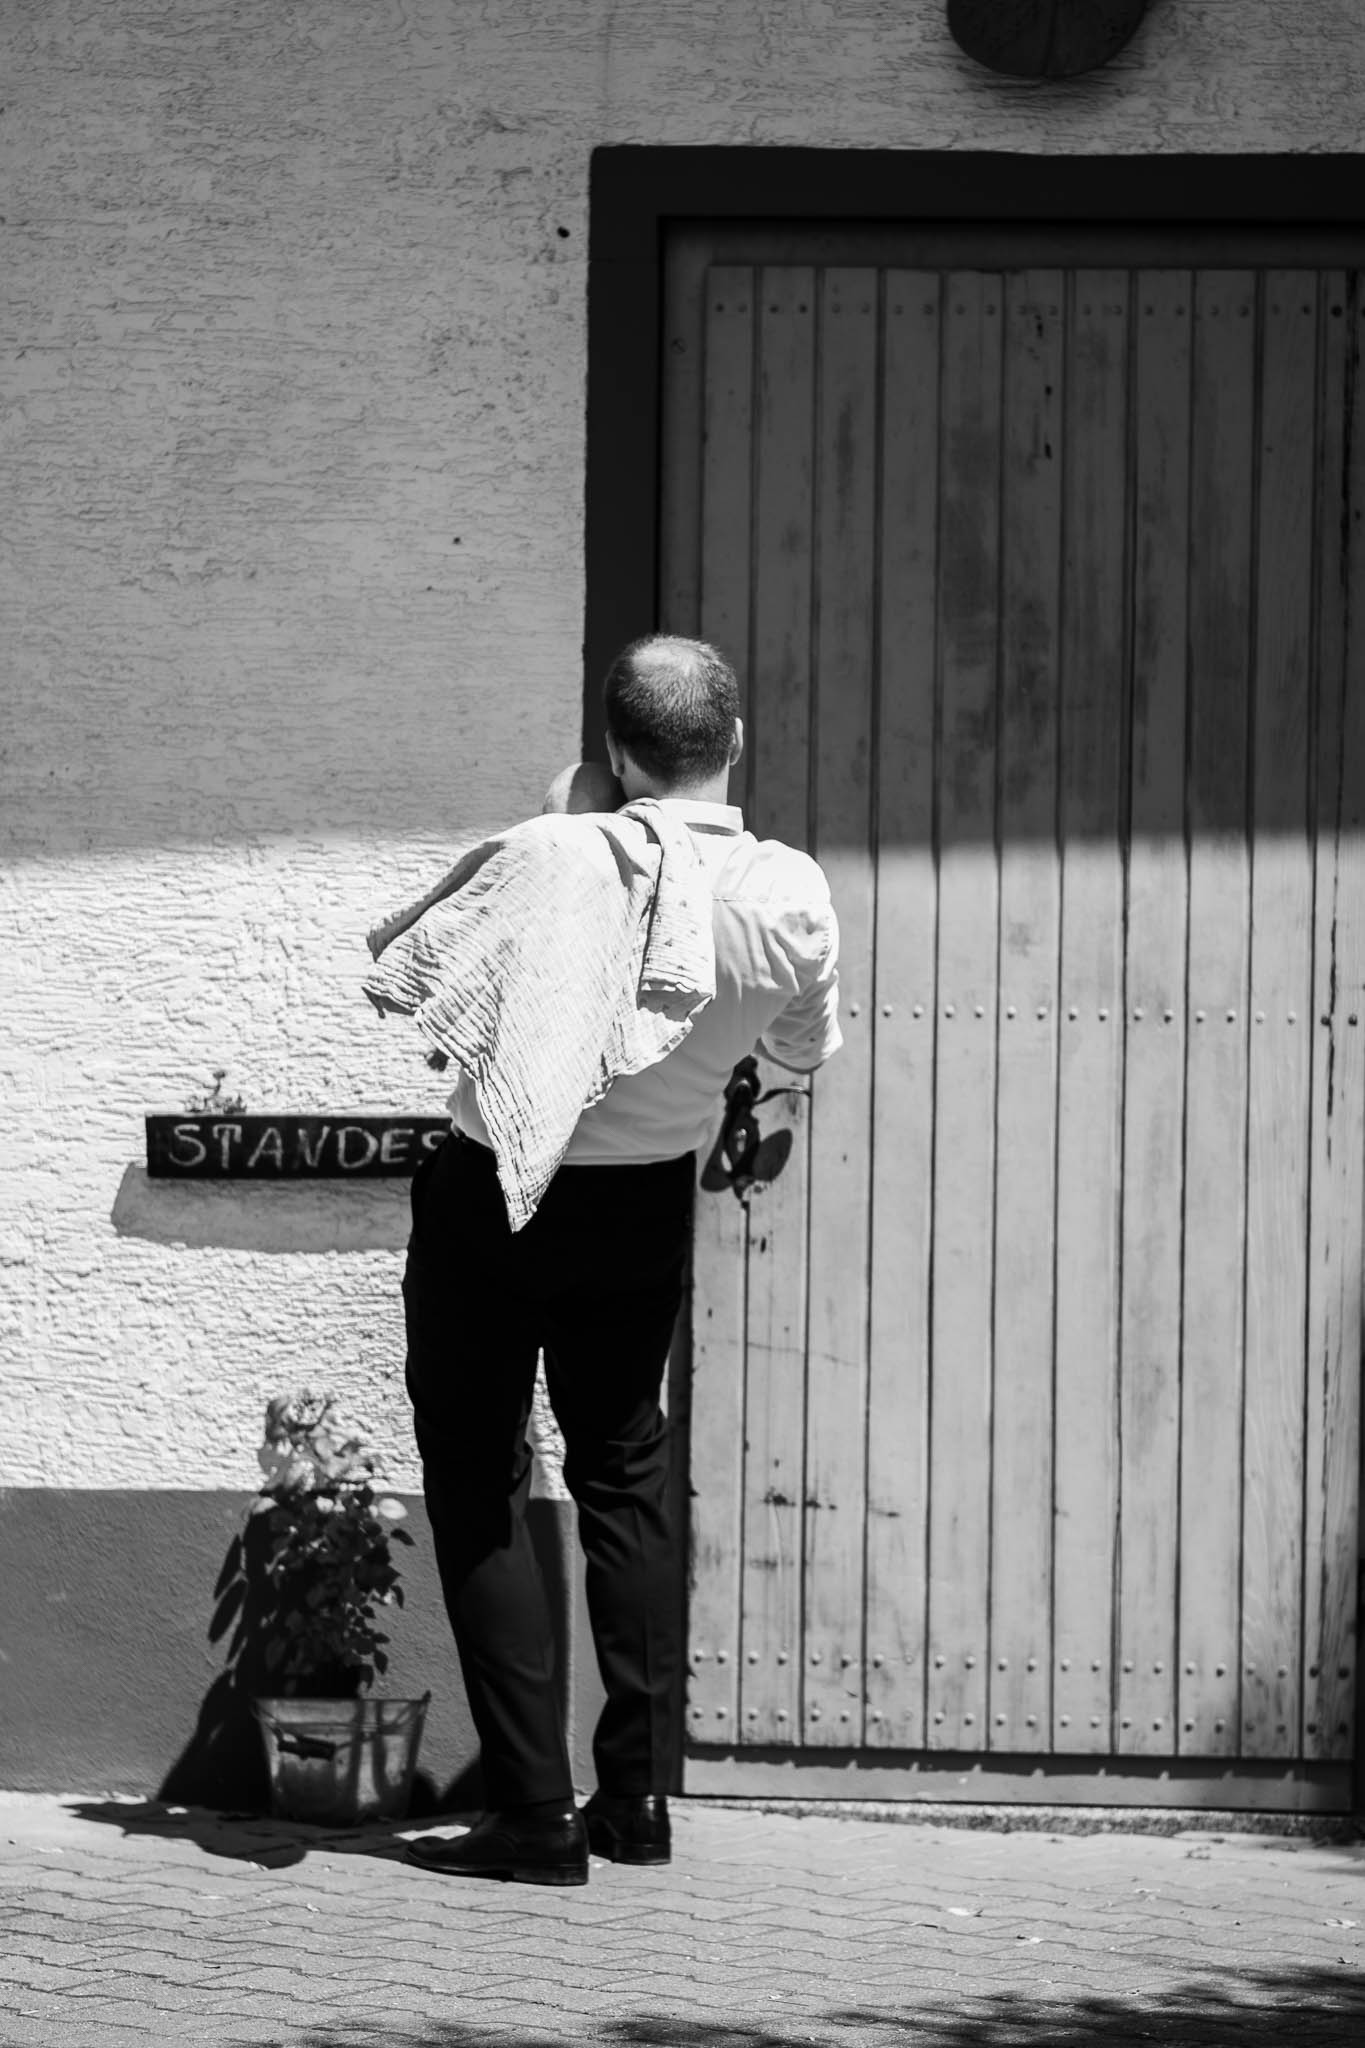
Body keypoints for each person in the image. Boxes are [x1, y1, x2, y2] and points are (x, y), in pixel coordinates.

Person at [401, 634, 842, 1885]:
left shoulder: (555, 852)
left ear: (609, 749)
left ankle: (535, 1814)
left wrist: (568, 807)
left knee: (481, 1474)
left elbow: (453, 970)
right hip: (644, 1202)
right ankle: (636, 1799)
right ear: (736, 743)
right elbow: (803, 1055)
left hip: (496, 1194)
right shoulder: (790, 891)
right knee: (623, 1469)